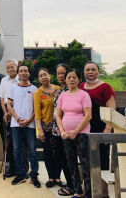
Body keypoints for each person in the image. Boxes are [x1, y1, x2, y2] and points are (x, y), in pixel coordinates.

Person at [79, 61, 116, 198]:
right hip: (85, 128)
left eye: (93, 69)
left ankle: (103, 192)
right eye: (87, 69)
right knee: (86, 160)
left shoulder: (105, 87)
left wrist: (107, 129)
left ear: (98, 71)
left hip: (101, 129)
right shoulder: (81, 86)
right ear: (83, 72)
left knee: (102, 160)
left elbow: (111, 109)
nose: (90, 72)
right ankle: (89, 191)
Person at [56, 69, 92, 198]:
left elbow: (88, 116)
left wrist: (76, 131)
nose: (71, 79)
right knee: (70, 163)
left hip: (81, 133)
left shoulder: (84, 95)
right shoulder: (62, 95)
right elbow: (58, 116)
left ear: (79, 80)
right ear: (65, 79)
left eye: (74, 77)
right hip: (66, 135)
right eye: (69, 77)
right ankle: (78, 191)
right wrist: (62, 131)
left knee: (85, 163)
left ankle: (88, 193)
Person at [7, 64, 40, 187]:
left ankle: (34, 175)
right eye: (21, 71)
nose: (23, 73)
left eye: (25, 71)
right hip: (16, 124)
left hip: (30, 125)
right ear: (18, 73)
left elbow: (37, 108)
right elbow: (9, 105)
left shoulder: (35, 89)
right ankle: (20, 174)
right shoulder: (13, 88)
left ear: (29, 73)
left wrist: (29, 120)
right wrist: (17, 118)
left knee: (32, 151)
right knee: (17, 150)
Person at [0, 59, 29, 178]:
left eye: (12, 67)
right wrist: (6, 113)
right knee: (9, 143)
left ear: (16, 68)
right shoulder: (3, 80)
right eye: (8, 67)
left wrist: (13, 114)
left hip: (20, 114)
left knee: (22, 143)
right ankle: (11, 168)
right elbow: (1, 98)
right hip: (7, 114)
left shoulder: (22, 80)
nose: (10, 69)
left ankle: (24, 169)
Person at [34, 68, 65, 188]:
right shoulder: (38, 93)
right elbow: (37, 113)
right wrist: (40, 130)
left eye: (45, 74)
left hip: (59, 127)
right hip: (46, 128)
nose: (44, 77)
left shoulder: (58, 89)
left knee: (59, 152)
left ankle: (58, 177)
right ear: (39, 79)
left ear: (50, 75)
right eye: (41, 75)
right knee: (47, 153)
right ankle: (51, 177)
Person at [53, 64, 74, 196]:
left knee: (69, 158)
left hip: (67, 129)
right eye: (59, 73)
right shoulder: (59, 89)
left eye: (63, 73)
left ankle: (72, 185)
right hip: (58, 129)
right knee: (62, 157)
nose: (61, 76)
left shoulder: (70, 89)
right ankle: (70, 183)